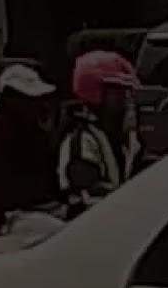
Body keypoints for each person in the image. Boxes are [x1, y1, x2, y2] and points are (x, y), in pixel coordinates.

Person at [0, 64, 62, 236]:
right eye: (31, 99)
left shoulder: (34, 129)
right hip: (11, 219)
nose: (38, 104)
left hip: (40, 211)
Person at [57, 50, 143, 216]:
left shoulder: (119, 136)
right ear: (93, 91)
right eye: (115, 90)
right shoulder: (82, 140)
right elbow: (87, 192)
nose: (123, 98)